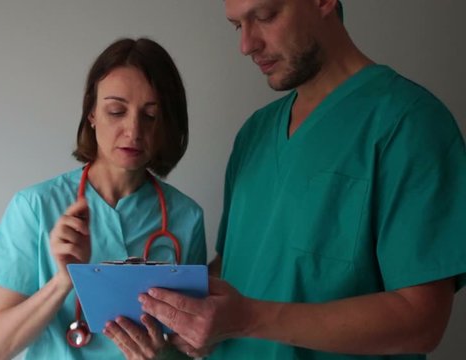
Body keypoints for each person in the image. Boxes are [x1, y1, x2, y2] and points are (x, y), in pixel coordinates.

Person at [139, 1, 466, 359]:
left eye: (264, 17)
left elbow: (422, 322)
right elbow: (237, 262)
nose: (247, 45)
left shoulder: (409, 125)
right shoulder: (255, 134)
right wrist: (170, 309)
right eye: (237, 26)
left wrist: (247, 318)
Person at [0, 37, 206, 360]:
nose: (133, 130)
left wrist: (164, 355)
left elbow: (194, 343)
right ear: (92, 113)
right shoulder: (35, 207)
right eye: (116, 111)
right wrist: (62, 282)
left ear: (167, 124)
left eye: (150, 116)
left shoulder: (187, 217)